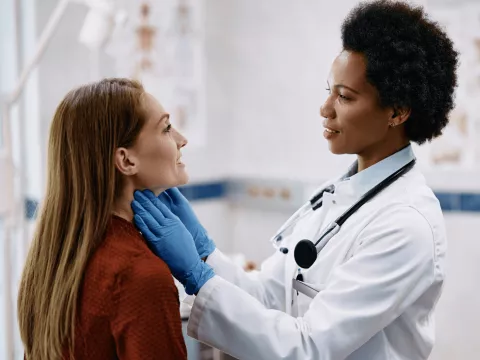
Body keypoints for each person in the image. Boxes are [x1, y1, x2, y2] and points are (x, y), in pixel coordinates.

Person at [132, 1, 459, 359]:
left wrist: (197, 275)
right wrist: (205, 253)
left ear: (397, 112)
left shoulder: (405, 224)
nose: (326, 108)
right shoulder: (339, 198)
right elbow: (268, 297)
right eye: (329, 90)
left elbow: (308, 348)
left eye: (345, 97)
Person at [17, 78, 189, 360]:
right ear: (126, 161)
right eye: (166, 128)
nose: (182, 140)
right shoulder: (141, 276)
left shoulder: (53, 262)